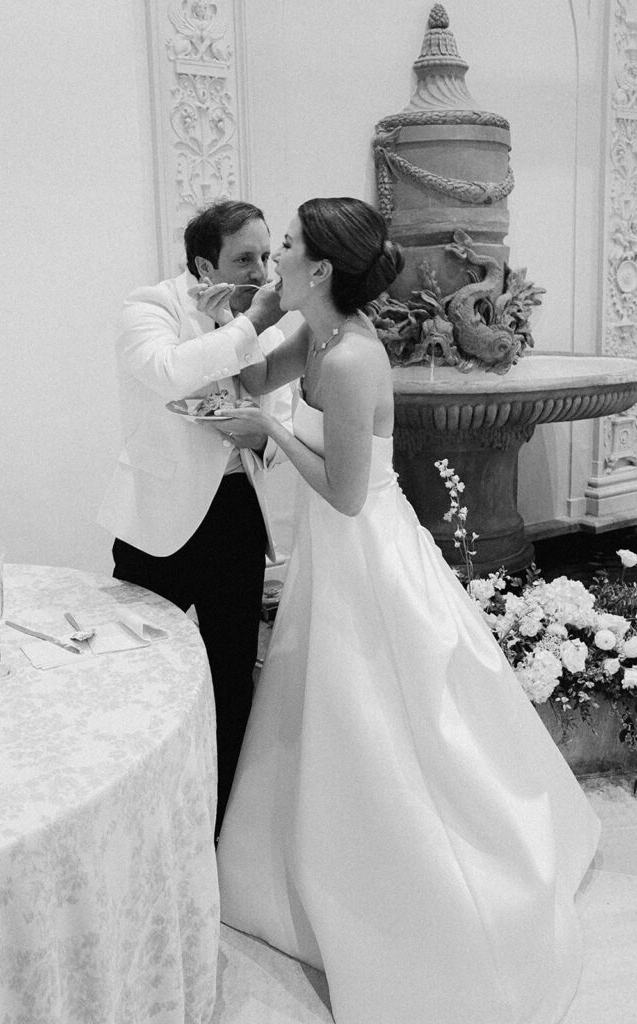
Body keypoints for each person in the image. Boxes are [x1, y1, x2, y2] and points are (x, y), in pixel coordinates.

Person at [214, 197, 601, 1024]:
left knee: (385, 709)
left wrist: (270, 433)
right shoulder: (311, 333)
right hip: (329, 552)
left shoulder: (354, 357)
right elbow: (251, 380)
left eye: (286, 247)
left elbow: (347, 494)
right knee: (322, 705)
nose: (275, 256)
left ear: (321, 267)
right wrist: (259, 312)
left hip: (367, 549)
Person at [97, 200, 292, 840]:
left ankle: (217, 822)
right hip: (158, 520)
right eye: (245, 259)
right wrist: (248, 323)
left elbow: (282, 410)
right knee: (139, 667)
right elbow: (169, 372)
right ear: (204, 265)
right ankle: (136, 811)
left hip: (236, 512)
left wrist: (261, 436)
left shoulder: (261, 314)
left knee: (232, 672)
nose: (262, 272)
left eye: (267, 255)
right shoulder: (149, 306)